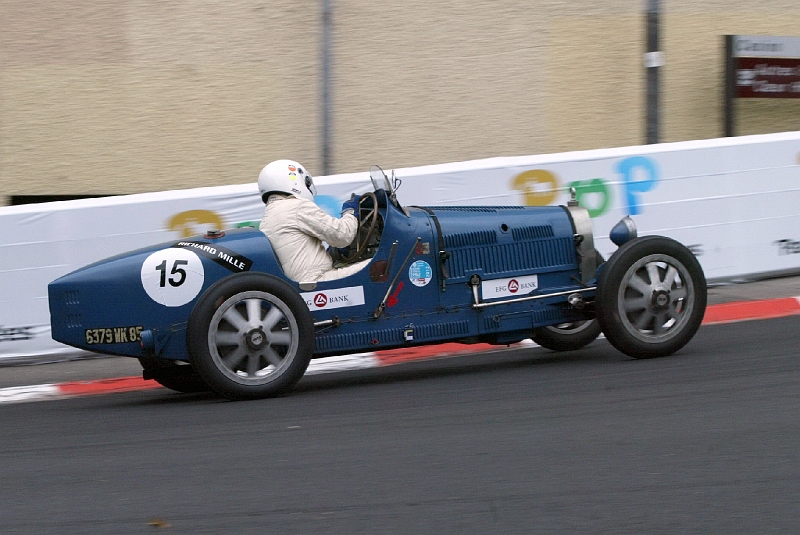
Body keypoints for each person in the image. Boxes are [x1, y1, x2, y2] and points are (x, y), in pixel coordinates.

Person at [258, 159, 371, 282]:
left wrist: (332, 253)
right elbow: (343, 236)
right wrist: (350, 211)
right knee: (385, 263)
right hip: (317, 282)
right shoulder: (296, 206)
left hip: (301, 284)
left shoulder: (268, 218)